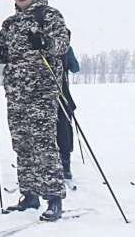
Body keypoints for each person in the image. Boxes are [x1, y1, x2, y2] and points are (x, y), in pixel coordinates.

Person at [0, 0, 70, 222]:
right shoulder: (9, 23)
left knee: (44, 144)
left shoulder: (48, 15)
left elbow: (62, 44)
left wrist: (44, 41)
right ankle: (29, 194)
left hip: (41, 91)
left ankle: (53, 198)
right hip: (16, 94)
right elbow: (3, 55)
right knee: (22, 145)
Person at [56, 44, 80, 180]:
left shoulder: (66, 49)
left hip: (63, 95)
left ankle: (65, 166)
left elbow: (75, 68)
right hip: (49, 95)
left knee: (63, 130)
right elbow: (76, 68)